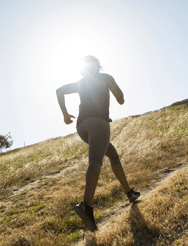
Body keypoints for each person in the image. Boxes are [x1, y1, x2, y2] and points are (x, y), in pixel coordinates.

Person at [56, 55, 140, 232]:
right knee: (95, 162)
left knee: (112, 154)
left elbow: (59, 90)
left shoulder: (80, 82)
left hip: (82, 126)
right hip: (98, 123)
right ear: (98, 66)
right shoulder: (105, 78)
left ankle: (129, 192)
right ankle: (86, 207)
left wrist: (65, 114)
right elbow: (121, 98)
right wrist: (118, 96)